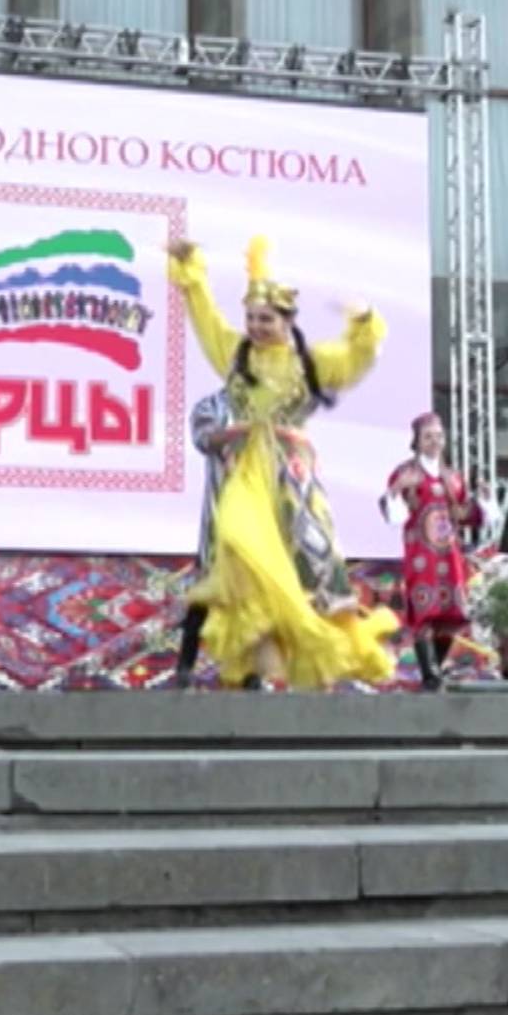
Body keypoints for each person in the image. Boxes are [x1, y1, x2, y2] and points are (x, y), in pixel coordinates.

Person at [166, 235, 398, 691]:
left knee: (311, 561)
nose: (256, 326)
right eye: (251, 318)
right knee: (237, 546)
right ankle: (239, 662)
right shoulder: (235, 354)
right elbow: (206, 315)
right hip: (245, 475)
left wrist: (363, 319)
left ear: (288, 321)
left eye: (266, 319)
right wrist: (191, 268)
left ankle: (325, 656)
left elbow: (359, 354)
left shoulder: (311, 363)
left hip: (293, 477)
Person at [381, 412, 491, 690]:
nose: (434, 442)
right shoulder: (406, 473)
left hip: (450, 555)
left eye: (439, 436)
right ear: (416, 441)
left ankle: (435, 670)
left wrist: (484, 502)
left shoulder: (453, 477)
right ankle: (430, 675)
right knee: (424, 610)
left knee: (452, 614)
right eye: (428, 437)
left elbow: (463, 515)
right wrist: (396, 490)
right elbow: (395, 516)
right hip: (420, 555)